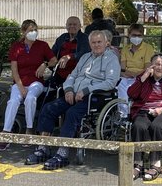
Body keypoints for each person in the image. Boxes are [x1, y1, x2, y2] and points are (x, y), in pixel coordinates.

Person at [30, 30, 121, 169]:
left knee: (72, 113)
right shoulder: (85, 57)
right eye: (93, 42)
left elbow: (110, 83)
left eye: (99, 42)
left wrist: (86, 90)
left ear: (106, 43)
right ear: (89, 44)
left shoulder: (111, 59)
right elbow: (72, 76)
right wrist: (68, 89)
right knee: (49, 108)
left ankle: (62, 153)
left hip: (94, 97)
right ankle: (43, 148)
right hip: (74, 93)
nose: (96, 45)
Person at [0, 20, 57, 151]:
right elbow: (14, 70)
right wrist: (21, 87)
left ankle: (29, 129)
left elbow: (54, 60)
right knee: (13, 101)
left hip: (36, 81)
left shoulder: (42, 45)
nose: (33, 32)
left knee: (30, 98)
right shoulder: (16, 47)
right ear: (23, 32)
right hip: (20, 82)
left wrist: (45, 64)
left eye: (35, 30)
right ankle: (6, 132)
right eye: (30, 30)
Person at [127, 53, 162, 181]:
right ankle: (138, 164)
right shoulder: (144, 77)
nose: (160, 67)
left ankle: (156, 164)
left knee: (157, 126)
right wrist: (144, 77)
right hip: (144, 110)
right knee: (138, 126)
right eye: (157, 64)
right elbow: (131, 93)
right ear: (151, 65)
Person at [118, 24, 155, 116]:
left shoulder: (148, 48)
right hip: (127, 77)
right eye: (134, 35)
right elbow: (122, 69)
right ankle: (123, 113)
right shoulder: (125, 49)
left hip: (142, 77)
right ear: (129, 35)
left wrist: (134, 74)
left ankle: (132, 112)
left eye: (139, 35)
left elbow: (147, 68)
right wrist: (129, 73)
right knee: (120, 84)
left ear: (143, 36)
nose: (136, 38)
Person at [50, 16, 90, 83]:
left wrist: (69, 56)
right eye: (69, 24)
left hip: (77, 75)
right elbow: (52, 52)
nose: (72, 26)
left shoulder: (85, 38)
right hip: (59, 73)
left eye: (74, 24)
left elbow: (84, 53)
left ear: (80, 26)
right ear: (66, 26)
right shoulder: (62, 38)